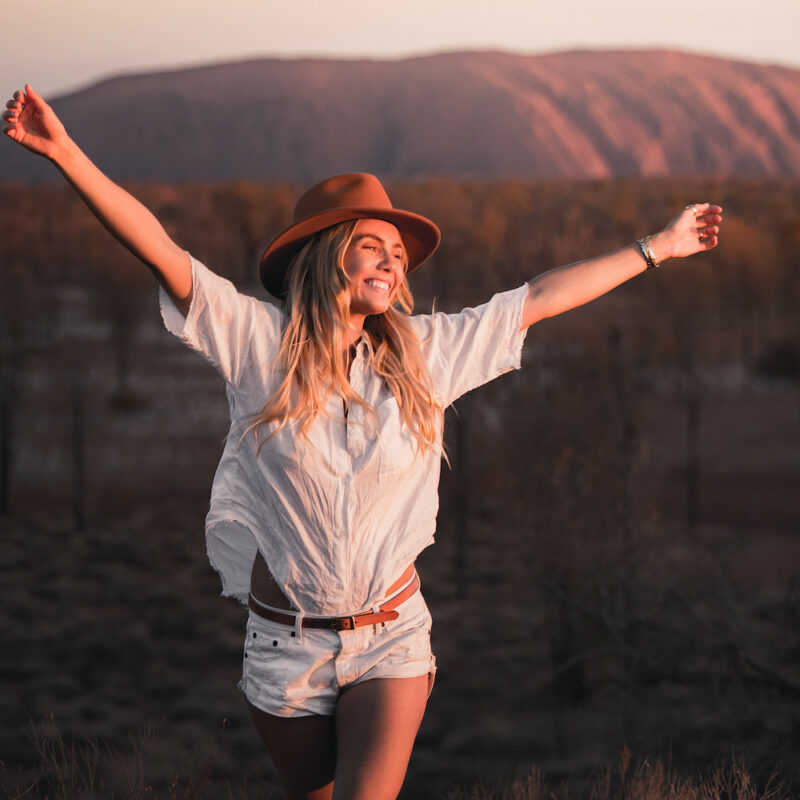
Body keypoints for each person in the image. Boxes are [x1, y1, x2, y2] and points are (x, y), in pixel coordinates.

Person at [3, 85, 722, 800]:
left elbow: (536, 299)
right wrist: (63, 150)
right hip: (285, 649)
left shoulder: (424, 355)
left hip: (391, 636)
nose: (391, 262)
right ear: (324, 255)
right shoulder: (258, 346)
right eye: (370, 246)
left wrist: (657, 247)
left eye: (398, 255)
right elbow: (159, 249)